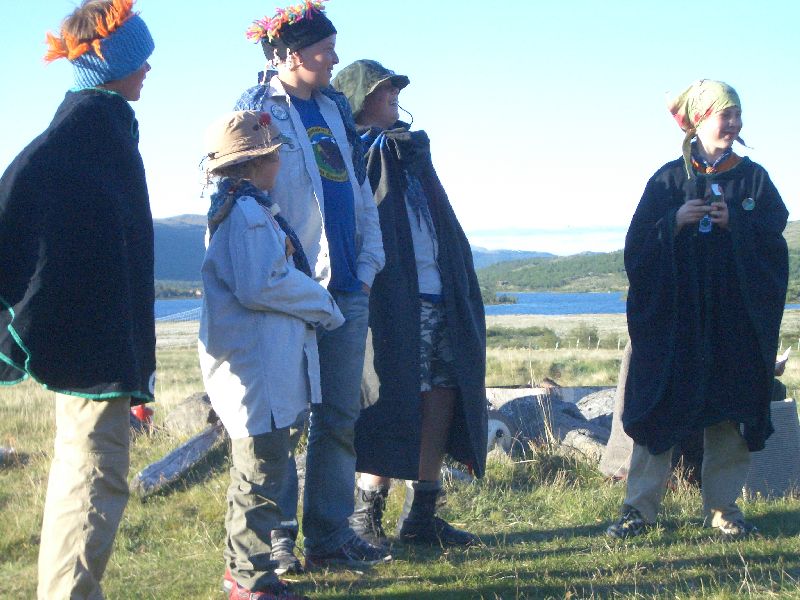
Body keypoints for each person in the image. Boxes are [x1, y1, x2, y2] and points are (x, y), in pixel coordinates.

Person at [0, 1, 155, 597]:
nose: (148, 68)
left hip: (96, 341)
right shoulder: (85, 129)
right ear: (113, 62)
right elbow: (19, 191)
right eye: (140, 57)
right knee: (94, 475)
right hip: (91, 348)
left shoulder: (100, 126)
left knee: (90, 471)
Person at [236, 0, 387, 571]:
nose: (335, 60)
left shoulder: (334, 108)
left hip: (347, 287)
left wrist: (368, 266)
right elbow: (245, 196)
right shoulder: (257, 109)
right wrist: (281, 279)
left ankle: (329, 537)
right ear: (291, 54)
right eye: (326, 50)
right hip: (292, 293)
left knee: (340, 417)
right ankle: (277, 539)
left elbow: (355, 188)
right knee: (284, 419)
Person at [606, 79, 789, 539]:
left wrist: (738, 224)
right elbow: (636, 250)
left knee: (730, 411)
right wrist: (674, 221)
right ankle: (639, 510)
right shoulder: (668, 180)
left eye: (738, 114)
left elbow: (773, 246)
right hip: (676, 324)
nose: (735, 123)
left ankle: (725, 511)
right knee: (659, 409)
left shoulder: (754, 179)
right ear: (702, 119)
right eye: (726, 115)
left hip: (732, 323)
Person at [331, 60, 487, 547]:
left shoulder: (412, 152)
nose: (395, 93)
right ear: (360, 99)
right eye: (384, 88)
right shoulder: (353, 155)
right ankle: (365, 515)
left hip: (439, 296)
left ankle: (421, 514)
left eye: (396, 87)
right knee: (390, 398)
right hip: (392, 303)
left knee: (442, 393)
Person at [199, 110, 344, 600]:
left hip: (258, 364)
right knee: (258, 476)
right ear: (258, 162)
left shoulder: (242, 209)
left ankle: (244, 571)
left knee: (258, 473)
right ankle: (250, 581)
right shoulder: (246, 214)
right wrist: (322, 303)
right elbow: (262, 283)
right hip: (254, 368)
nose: (280, 161)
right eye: (275, 153)